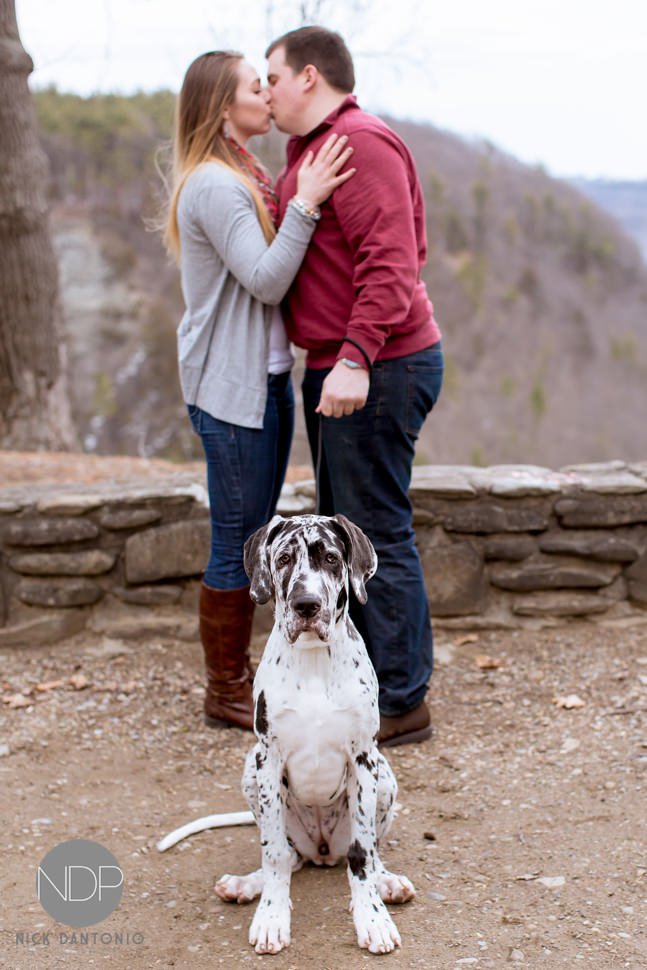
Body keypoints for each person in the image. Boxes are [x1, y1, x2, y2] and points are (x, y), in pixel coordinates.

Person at [164, 50, 354, 731]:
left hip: (264, 380)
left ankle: (250, 673)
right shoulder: (217, 186)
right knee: (236, 542)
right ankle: (226, 690)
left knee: (252, 532)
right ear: (222, 109)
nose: (268, 95)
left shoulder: (247, 174)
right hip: (232, 389)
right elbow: (267, 280)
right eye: (255, 87)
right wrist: (306, 203)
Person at [265, 27, 444, 747]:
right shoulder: (315, 151)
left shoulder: (359, 143)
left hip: (378, 364)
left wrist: (356, 357)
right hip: (342, 365)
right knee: (345, 531)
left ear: (309, 76)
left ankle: (401, 703)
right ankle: (368, 681)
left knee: (373, 534)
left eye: (272, 77)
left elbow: (391, 262)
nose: (267, 90)